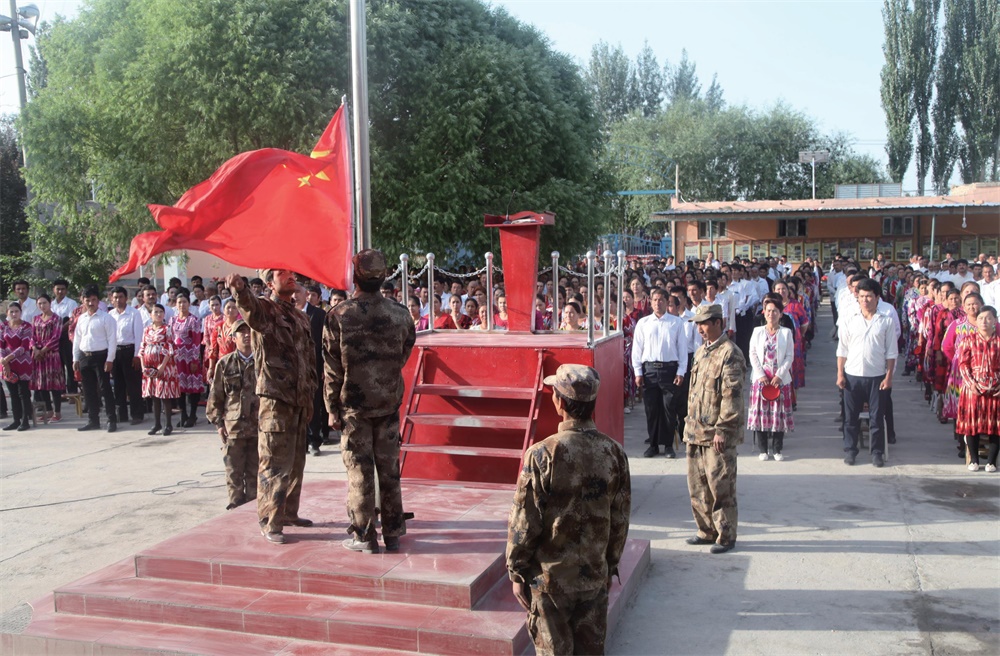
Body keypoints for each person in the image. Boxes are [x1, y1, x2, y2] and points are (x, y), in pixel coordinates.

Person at [506, 364, 630, 656]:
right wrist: (609, 565)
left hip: (550, 584)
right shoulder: (614, 453)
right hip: (593, 577)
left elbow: (525, 521)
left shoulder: (542, 454)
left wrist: (516, 571)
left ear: (560, 403)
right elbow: (620, 519)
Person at [323, 249, 415, 554]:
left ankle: (363, 535)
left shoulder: (339, 315)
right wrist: (383, 375)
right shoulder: (400, 314)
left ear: (355, 276)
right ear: (384, 275)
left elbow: (332, 368)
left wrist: (331, 408)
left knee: (359, 472)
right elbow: (404, 352)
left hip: (354, 408)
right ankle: (393, 534)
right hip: (387, 404)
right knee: (389, 470)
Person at [230, 268, 318, 545]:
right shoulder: (267, 310)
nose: (290, 276)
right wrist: (240, 290)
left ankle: (289, 512)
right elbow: (250, 308)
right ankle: (270, 520)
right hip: (276, 399)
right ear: (270, 283)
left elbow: (309, 359)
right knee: (274, 463)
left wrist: (310, 394)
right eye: (282, 273)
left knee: (296, 463)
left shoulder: (300, 316)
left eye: (291, 273)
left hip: (299, 399)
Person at [684, 304, 746, 554]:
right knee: (697, 486)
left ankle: (726, 535)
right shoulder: (701, 352)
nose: (700, 328)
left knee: (721, 487)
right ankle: (706, 530)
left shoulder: (730, 353)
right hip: (696, 430)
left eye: (704, 323)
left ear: (718, 323)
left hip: (717, 435)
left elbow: (732, 396)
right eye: (697, 324)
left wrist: (723, 429)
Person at [836, 279, 898, 467]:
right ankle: (850, 450)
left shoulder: (886, 321)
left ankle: (877, 452)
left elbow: (891, 352)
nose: (865, 300)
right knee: (850, 417)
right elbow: (842, 349)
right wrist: (840, 374)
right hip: (852, 375)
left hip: (877, 377)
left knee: (877, 418)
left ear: (877, 297)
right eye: (861, 296)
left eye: (869, 296)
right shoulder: (850, 319)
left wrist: (889, 377)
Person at [207, 320, 260, 508]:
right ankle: (235, 505)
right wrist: (218, 424)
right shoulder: (225, 363)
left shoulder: (262, 362)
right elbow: (216, 396)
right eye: (241, 332)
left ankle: (253, 506)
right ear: (233, 338)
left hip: (258, 427)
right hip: (233, 427)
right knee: (233, 471)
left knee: (255, 471)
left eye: (249, 331)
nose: (246, 335)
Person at [631, 288, 688, 458]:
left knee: (669, 408)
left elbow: (682, 349)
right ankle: (653, 444)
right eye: (655, 300)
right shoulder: (643, 323)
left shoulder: (676, 323)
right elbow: (637, 349)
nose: (658, 303)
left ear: (667, 302)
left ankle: (668, 445)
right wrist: (638, 372)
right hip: (649, 370)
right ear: (650, 302)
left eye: (661, 300)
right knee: (651, 409)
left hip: (669, 369)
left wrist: (681, 371)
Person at [748, 298, 794, 461]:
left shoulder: (786, 333)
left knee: (778, 415)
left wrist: (779, 375)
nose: (771, 314)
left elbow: (789, 356)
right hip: (761, 380)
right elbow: (753, 354)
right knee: (761, 414)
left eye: (775, 311)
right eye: (768, 311)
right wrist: (760, 374)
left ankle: (777, 449)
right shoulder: (757, 331)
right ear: (764, 312)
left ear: (780, 314)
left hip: (779, 380)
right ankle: (763, 449)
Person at [956, 306, 1000, 472]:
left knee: (995, 426)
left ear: (995, 320)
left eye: (988, 318)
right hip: (973, 390)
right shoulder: (968, 340)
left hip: (995, 390)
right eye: (981, 318)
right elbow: (963, 364)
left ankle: (991, 462)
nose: (984, 322)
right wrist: (970, 383)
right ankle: (974, 459)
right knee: (972, 425)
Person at [73, 287, 119, 433]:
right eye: (87, 300)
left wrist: (110, 359)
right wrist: (75, 358)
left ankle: (112, 420)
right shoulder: (81, 318)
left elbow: (112, 340)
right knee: (88, 390)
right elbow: (77, 339)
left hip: (101, 356)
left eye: (93, 300)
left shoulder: (106, 318)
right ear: (83, 301)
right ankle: (93, 420)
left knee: (105, 389)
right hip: (84, 356)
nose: (90, 303)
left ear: (98, 301)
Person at [140, 304, 180, 435]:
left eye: (160, 312)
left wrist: (162, 366)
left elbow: (170, 348)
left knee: (165, 395)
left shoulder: (167, 329)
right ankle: (157, 424)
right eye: (155, 312)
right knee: (154, 396)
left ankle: (168, 424)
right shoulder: (147, 330)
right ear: (150, 315)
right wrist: (143, 366)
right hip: (149, 368)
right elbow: (142, 347)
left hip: (164, 366)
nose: (158, 314)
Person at [108, 286, 146, 425]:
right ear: (112, 299)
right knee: (118, 385)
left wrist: (137, 356)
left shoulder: (134, 313)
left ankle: (137, 414)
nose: (118, 300)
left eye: (121, 297)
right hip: (115, 352)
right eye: (115, 297)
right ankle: (121, 415)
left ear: (126, 298)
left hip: (130, 351)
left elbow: (139, 336)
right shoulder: (110, 314)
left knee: (133, 385)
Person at [169, 294, 203, 427]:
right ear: (176, 305)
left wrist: (194, 359)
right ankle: (183, 414)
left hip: (190, 357)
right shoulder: (172, 320)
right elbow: (170, 339)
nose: (182, 305)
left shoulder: (193, 320)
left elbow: (196, 341)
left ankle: (193, 414)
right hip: (177, 358)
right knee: (180, 387)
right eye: (179, 302)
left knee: (193, 387)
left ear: (189, 304)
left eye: (184, 302)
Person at [30, 295, 66, 423]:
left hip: (51, 354)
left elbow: (56, 337)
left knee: (54, 384)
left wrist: (43, 350)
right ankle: (48, 411)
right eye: (39, 303)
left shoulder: (56, 319)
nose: (42, 306)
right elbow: (31, 336)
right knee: (41, 384)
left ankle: (57, 412)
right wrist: (35, 349)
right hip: (38, 356)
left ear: (50, 303)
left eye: (44, 303)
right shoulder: (35, 319)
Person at [1, 303, 33, 431]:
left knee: (23, 393)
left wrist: (8, 358)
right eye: (11, 312)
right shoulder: (3, 326)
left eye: (16, 311)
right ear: (7, 313)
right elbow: (1, 345)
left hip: (22, 363)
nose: (14, 314)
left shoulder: (26, 326)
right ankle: (15, 420)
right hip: (6, 364)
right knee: (13, 393)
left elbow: (24, 346)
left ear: (21, 312)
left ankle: (25, 421)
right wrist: (3, 360)